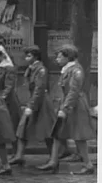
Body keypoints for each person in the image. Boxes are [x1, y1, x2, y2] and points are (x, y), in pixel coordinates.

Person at [38, 45, 95, 175]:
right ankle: (53, 162)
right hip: (67, 104)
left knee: (79, 136)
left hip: (75, 106)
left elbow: (74, 91)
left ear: (67, 57)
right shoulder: (67, 70)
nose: (57, 59)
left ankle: (88, 164)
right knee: (58, 133)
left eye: (59, 56)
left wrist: (65, 108)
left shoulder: (76, 71)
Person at [11, 46, 57, 166]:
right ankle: (19, 155)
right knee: (22, 128)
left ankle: (53, 158)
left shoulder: (40, 69)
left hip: (42, 102)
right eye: (26, 55)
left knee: (47, 130)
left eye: (29, 55)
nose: (26, 58)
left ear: (36, 56)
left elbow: (39, 89)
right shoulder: (31, 68)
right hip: (33, 100)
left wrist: (31, 106)